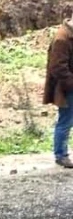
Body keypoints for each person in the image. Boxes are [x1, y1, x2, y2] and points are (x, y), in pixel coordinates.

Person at [44, 17, 73, 168]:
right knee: (65, 122)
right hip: (67, 89)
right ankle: (60, 155)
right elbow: (57, 67)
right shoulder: (62, 38)